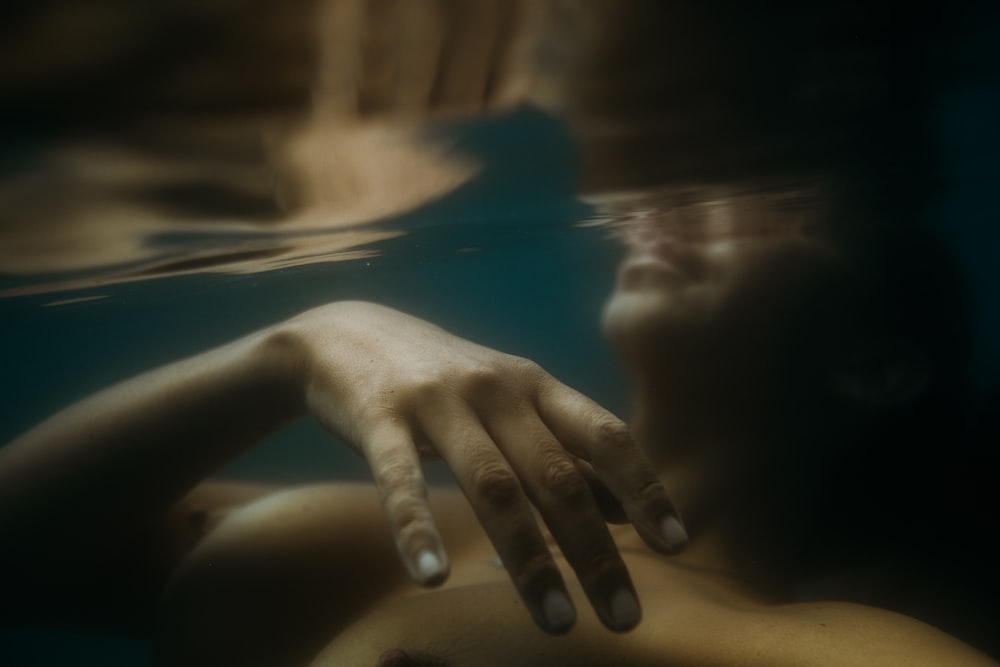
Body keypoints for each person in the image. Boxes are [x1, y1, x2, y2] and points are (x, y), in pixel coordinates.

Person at [2, 184, 996, 667]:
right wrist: (301, 347)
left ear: (873, 364)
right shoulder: (379, 534)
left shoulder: (828, 646)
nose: (686, 204)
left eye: (787, 209)